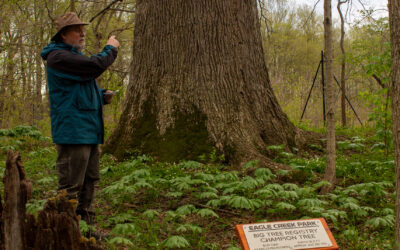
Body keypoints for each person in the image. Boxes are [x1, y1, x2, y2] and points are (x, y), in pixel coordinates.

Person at [40, 12, 119, 235]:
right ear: (64, 35)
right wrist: (110, 48)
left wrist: (102, 95)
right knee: (71, 185)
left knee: (89, 180)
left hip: (88, 129)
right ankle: (64, 231)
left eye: (83, 29)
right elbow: (94, 66)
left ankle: (86, 230)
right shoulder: (58, 57)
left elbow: (81, 84)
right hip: (73, 131)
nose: (83, 33)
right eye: (77, 30)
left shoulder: (72, 57)